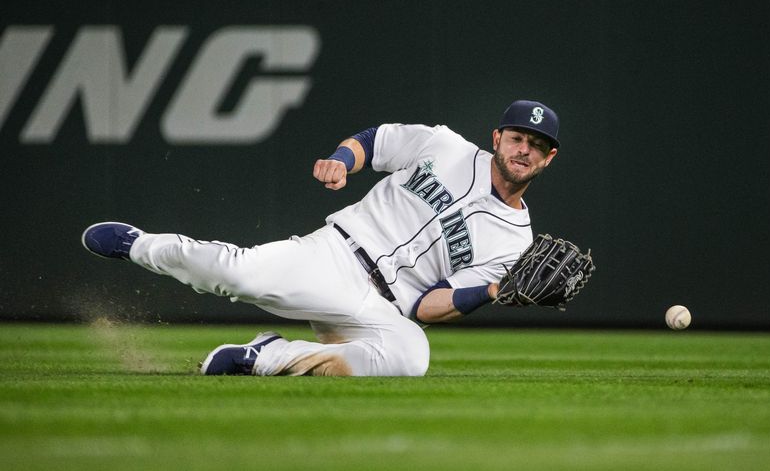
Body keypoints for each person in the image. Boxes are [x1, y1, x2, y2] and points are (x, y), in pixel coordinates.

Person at [81, 100, 560, 377]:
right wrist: (341, 159)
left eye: (536, 145)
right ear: (497, 137)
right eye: (518, 137)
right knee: (237, 274)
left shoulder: (516, 244)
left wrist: (493, 292)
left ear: (548, 159)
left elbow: (427, 307)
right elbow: (378, 140)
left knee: (412, 355)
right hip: (336, 255)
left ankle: (266, 356)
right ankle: (139, 244)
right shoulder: (446, 146)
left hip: (382, 309)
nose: (524, 149)